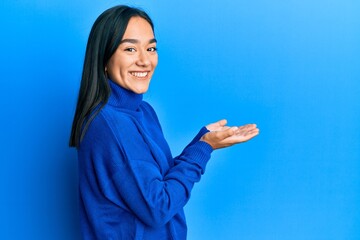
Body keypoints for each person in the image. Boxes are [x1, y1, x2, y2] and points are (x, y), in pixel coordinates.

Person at [69, 5, 259, 240]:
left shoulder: (143, 112)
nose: (145, 60)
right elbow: (159, 207)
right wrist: (204, 147)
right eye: (130, 49)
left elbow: (158, 183)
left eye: (151, 48)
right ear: (104, 59)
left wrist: (201, 143)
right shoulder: (109, 125)